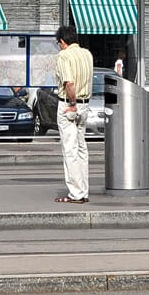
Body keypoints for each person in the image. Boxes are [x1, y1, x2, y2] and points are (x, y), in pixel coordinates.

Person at [53, 24, 94, 204]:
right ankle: (83, 190)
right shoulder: (87, 54)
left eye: (59, 43)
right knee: (81, 149)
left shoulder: (64, 55)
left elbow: (69, 83)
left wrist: (72, 103)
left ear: (62, 41)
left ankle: (75, 193)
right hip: (85, 105)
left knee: (69, 150)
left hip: (70, 105)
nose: (59, 46)